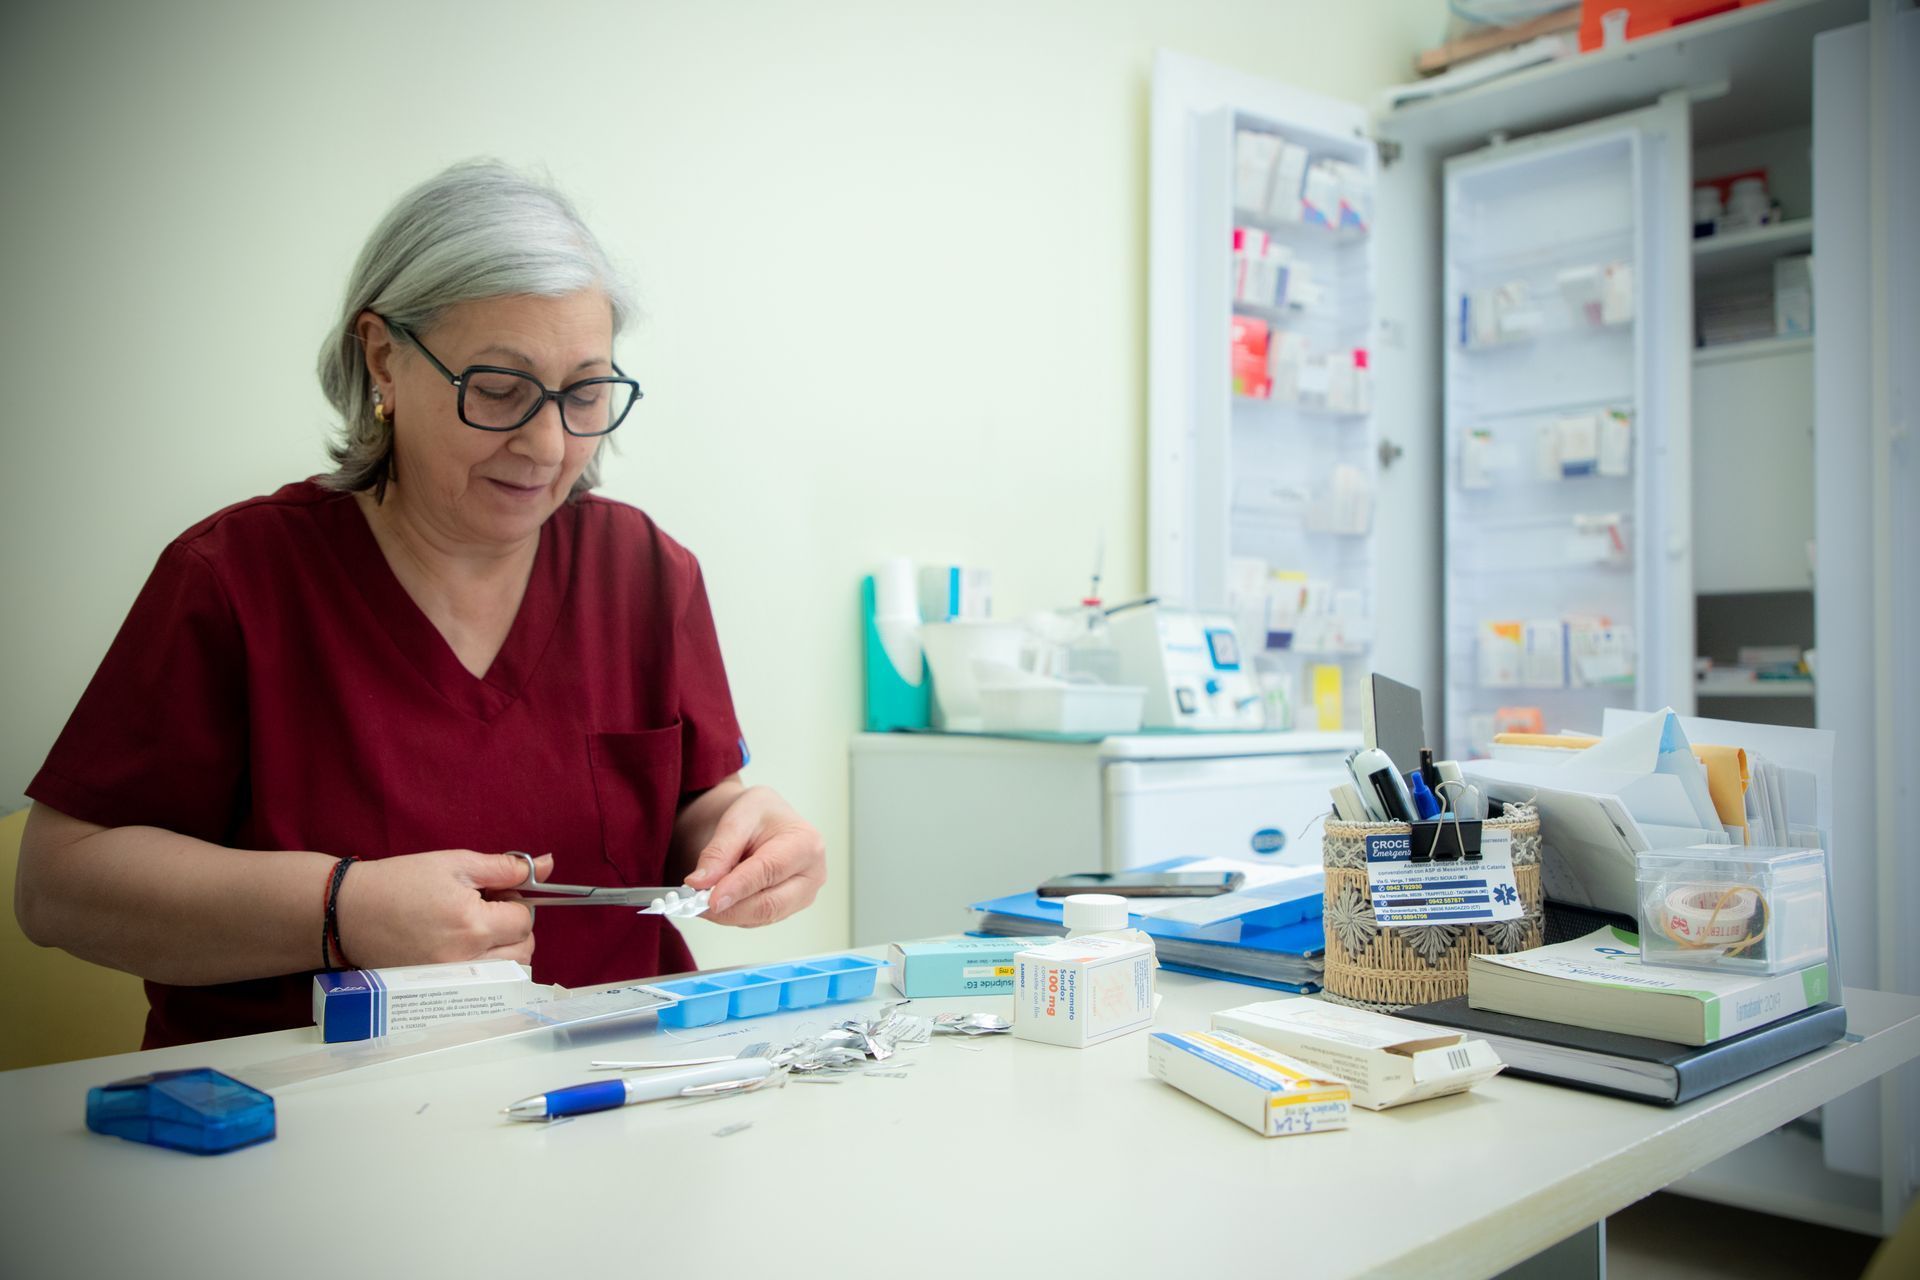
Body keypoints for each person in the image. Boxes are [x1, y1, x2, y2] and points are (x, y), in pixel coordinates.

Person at [14, 160, 826, 1048]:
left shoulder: (644, 572)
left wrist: (749, 837)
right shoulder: (236, 578)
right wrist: (340, 910)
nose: (548, 444)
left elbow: (691, 811)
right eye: (500, 390)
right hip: (304, 1108)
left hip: (611, 1081)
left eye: (585, 392)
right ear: (383, 359)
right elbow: (58, 887)